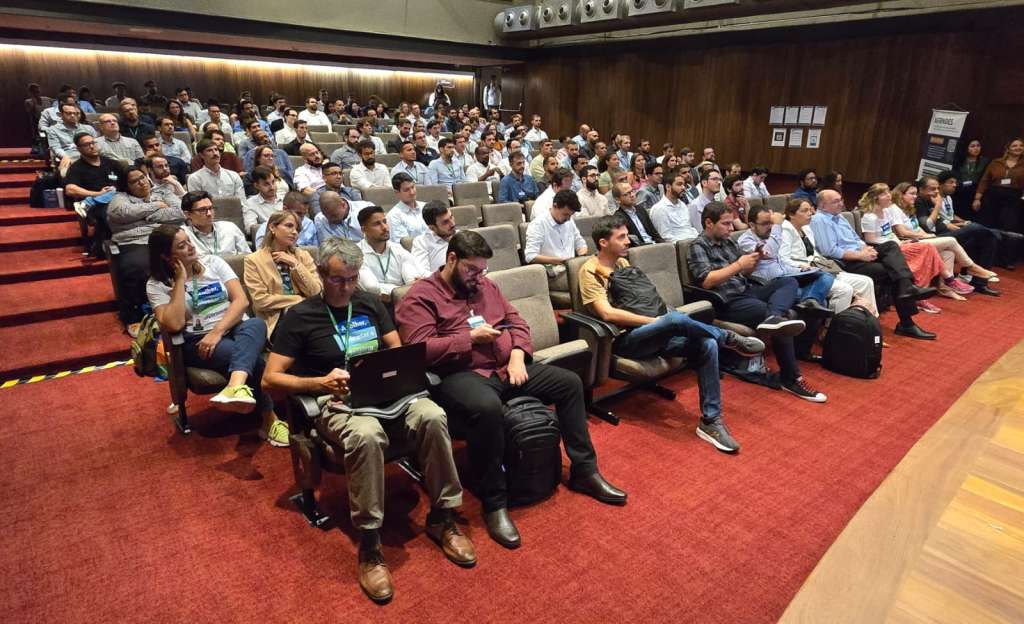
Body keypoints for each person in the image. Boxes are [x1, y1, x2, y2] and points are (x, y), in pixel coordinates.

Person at [263, 238, 475, 603]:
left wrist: (398, 374)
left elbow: (396, 349)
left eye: (352, 278)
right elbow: (270, 379)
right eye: (337, 279)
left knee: (432, 415)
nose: (346, 287)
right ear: (320, 274)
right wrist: (319, 382)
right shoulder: (300, 316)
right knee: (367, 435)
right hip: (335, 400)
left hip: (384, 393)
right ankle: (370, 542)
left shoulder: (369, 303)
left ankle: (443, 516)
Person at [397, 230, 627, 549]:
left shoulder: (486, 286)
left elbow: (517, 322)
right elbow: (419, 349)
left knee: (570, 383)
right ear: (451, 259)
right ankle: (495, 502)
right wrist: (469, 339)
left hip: (507, 367)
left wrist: (518, 354)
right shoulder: (420, 296)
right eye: (472, 270)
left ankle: (585, 471)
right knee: (487, 409)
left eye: (483, 270)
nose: (478, 277)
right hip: (461, 375)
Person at [582, 215, 767, 452]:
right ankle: (728, 338)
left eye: (627, 235)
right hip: (627, 341)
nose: (628, 241)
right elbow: (607, 314)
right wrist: (659, 322)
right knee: (674, 319)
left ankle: (711, 421)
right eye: (621, 237)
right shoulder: (589, 271)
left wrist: (662, 322)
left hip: (656, 334)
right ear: (603, 243)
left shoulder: (622, 264)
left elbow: (645, 302)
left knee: (707, 344)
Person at [146, 224, 288, 447]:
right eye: (181, 246)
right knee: (248, 357)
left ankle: (235, 385)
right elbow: (174, 323)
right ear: (166, 256)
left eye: (189, 241)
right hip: (197, 341)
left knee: (256, 324)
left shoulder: (214, 263)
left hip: (232, 327)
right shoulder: (157, 285)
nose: (191, 247)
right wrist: (180, 281)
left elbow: (241, 301)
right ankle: (270, 418)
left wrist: (217, 331)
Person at [690, 202, 828, 401]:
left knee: (788, 281)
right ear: (709, 223)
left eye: (731, 223)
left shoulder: (728, 242)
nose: (731, 229)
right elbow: (707, 281)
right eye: (726, 224)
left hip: (747, 290)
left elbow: (745, 273)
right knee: (785, 319)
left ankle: (773, 316)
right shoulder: (698, 245)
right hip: (727, 301)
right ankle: (791, 378)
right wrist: (739, 265)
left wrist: (755, 260)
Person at [811, 189, 937, 339]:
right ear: (823, 205)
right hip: (844, 262)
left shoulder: (839, 217)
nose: (841, 203)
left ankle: (907, 289)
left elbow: (856, 239)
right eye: (835, 201)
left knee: (891, 246)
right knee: (891, 271)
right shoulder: (820, 220)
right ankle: (907, 321)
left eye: (841, 200)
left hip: (859, 254)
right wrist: (860, 255)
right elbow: (829, 250)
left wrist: (866, 249)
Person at [107, 166, 184, 330]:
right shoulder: (120, 198)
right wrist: (155, 206)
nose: (141, 183)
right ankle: (135, 315)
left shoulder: (163, 192)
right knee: (138, 267)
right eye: (134, 181)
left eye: (142, 177)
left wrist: (146, 216)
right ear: (126, 186)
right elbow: (120, 212)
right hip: (135, 241)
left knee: (189, 257)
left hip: (165, 238)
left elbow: (181, 212)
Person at [891, 181, 999, 298]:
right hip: (911, 242)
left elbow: (918, 228)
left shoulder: (908, 208)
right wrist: (926, 233)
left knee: (950, 251)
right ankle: (971, 267)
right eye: (912, 194)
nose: (915, 196)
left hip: (927, 237)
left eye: (915, 194)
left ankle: (945, 288)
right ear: (901, 194)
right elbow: (903, 232)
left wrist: (927, 234)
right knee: (959, 236)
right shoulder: (896, 208)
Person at [779, 198, 877, 315]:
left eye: (810, 210)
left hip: (818, 267)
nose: (810, 213)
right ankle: (836, 324)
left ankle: (869, 321)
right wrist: (802, 265)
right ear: (791, 214)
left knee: (866, 281)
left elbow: (813, 254)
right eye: (804, 211)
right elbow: (783, 259)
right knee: (844, 289)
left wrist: (829, 266)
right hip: (802, 273)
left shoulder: (806, 228)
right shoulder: (785, 230)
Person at [737, 204, 836, 321]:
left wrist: (799, 268)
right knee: (821, 301)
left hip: (788, 275)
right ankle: (810, 301)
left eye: (771, 223)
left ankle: (810, 300)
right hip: (772, 283)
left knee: (826, 276)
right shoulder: (745, 240)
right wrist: (777, 225)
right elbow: (769, 253)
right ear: (752, 225)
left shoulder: (770, 236)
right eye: (765, 223)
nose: (770, 227)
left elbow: (780, 262)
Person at [244, 211, 322, 338]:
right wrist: (299, 300)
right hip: (276, 320)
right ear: (272, 227)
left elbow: (316, 292)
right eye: (289, 226)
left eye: (297, 229)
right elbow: (260, 301)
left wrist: (296, 264)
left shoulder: (302, 256)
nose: (295, 232)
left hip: (308, 314)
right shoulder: (253, 260)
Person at [917, 173, 1002, 289]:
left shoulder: (930, 200)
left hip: (946, 233)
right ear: (921, 189)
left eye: (937, 188)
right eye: (932, 189)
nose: (936, 191)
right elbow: (928, 226)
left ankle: (980, 283)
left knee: (988, 239)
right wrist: (938, 205)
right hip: (938, 237)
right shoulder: (919, 202)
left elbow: (944, 221)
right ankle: (999, 234)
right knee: (974, 228)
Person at [524, 190, 588, 296]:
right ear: (555, 206)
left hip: (571, 268)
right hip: (553, 272)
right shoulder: (538, 224)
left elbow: (580, 243)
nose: (568, 219)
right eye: (565, 214)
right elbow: (530, 256)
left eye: (571, 215)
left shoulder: (569, 221)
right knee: (587, 281)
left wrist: (581, 257)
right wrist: (562, 261)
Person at [356, 205, 426, 302]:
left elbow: (414, 280)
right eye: (377, 224)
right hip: (374, 305)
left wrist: (395, 292)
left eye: (385, 222)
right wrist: (401, 290)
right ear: (364, 230)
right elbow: (371, 288)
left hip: (405, 301)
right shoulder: (356, 253)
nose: (385, 227)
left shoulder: (398, 249)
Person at [972, 137, 1024, 246]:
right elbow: (984, 181)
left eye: (1021, 145)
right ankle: (985, 250)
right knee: (988, 224)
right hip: (993, 197)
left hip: (1013, 199)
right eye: (1014, 145)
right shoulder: (996, 162)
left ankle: (1002, 254)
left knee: (1008, 226)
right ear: (1008, 148)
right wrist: (977, 199)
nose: (1018, 148)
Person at [182, 190, 250, 258]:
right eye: (202, 210)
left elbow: (248, 257)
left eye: (210, 208)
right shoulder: (184, 235)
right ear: (188, 214)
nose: (209, 213)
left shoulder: (230, 228)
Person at [649, 170, 698, 243]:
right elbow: (666, 238)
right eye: (679, 184)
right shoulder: (659, 209)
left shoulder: (682, 204)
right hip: (679, 245)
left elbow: (689, 228)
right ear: (668, 187)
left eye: (684, 185)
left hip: (693, 241)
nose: (683, 188)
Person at [412, 200, 457, 274]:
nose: (452, 224)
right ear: (432, 228)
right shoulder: (422, 242)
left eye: (451, 217)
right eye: (445, 222)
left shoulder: (460, 235)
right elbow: (421, 273)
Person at [613, 181, 661, 246]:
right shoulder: (618, 218)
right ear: (617, 199)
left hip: (654, 244)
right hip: (640, 248)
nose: (632, 195)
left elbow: (654, 233)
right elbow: (631, 242)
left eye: (632, 191)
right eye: (626, 194)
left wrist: (664, 243)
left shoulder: (641, 209)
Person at [243, 166, 284, 237]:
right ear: (256, 186)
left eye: (273, 182)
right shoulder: (250, 204)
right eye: (266, 184)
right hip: (267, 238)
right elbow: (250, 228)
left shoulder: (285, 199)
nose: (272, 187)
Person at [386, 173, 428, 242]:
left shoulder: (425, 207)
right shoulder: (394, 216)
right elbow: (403, 244)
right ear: (397, 192)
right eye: (406, 190)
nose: (412, 192)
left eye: (413, 187)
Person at [687, 169, 725, 233]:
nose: (719, 182)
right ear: (704, 183)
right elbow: (700, 231)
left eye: (719, 180)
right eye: (714, 179)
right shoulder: (695, 205)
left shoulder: (718, 204)